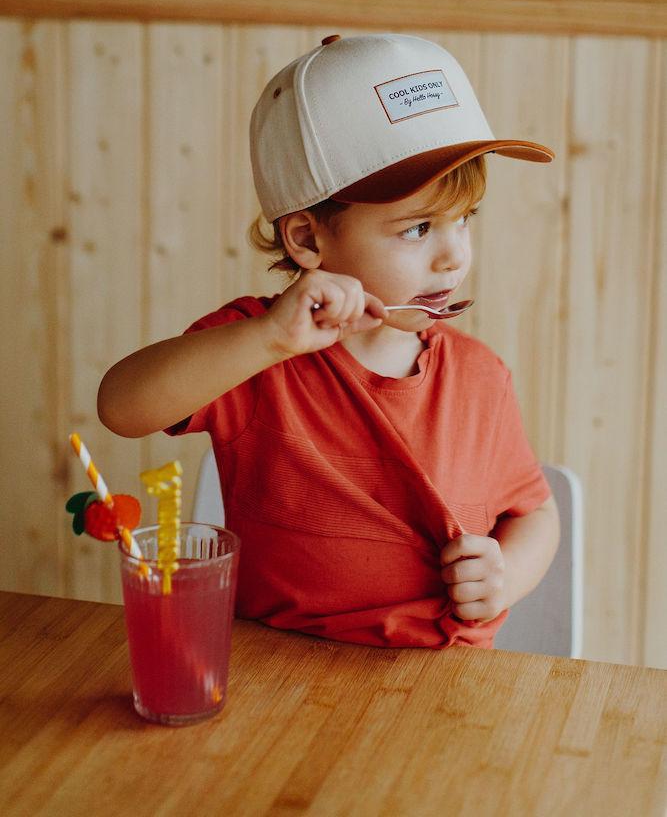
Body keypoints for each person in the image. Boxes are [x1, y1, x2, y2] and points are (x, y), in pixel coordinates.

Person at [98, 33, 560, 649]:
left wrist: (506, 577)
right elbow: (121, 407)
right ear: (308, 242)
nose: (454, 257)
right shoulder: (257, 353)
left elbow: (534, 512)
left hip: (440, 682)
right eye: (418, 228)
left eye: (464, 219)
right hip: (275, 672)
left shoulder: (480, 377)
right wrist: (267, 340)